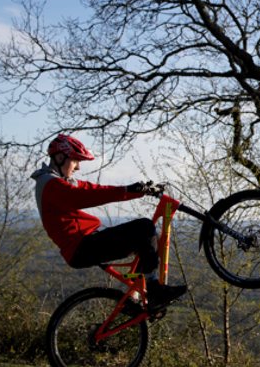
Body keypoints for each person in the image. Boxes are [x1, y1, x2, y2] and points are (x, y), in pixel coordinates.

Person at [31, 133, 186, 311]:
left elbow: (95, 188)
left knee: (147, 238)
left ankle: (136, 294)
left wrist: (136, 190)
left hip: (83, 244)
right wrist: (127, 190)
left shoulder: (58, 181)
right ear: (59, 157)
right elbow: (86, 196)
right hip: (81, 248)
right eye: (75, 161)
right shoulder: (51, 184)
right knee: (144, 227)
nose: (78, 167)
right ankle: (154, 290)